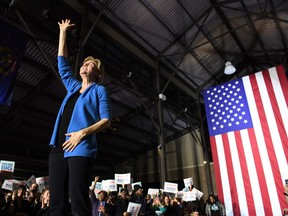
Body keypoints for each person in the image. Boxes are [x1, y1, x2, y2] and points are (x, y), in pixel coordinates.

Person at [48, 19, 111, 216]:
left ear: (98, 72)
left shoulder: (99, 90)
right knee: (56, 203)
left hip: (80, 148)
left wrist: (83, 133)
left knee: (78, 201)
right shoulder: (73, 87)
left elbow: (106, 120)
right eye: (84, 62)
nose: (85, 64)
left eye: (90, 63)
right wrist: (63, 32)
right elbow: (62, 61)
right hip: (58, 147)